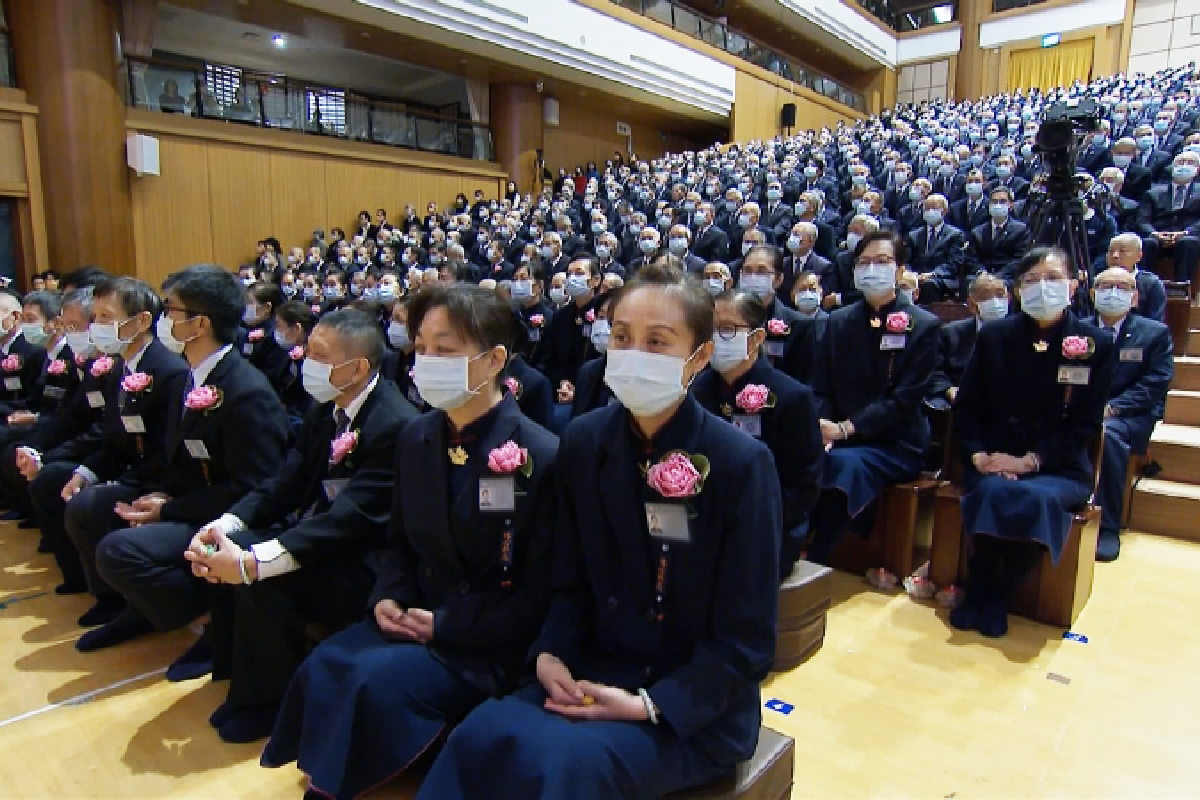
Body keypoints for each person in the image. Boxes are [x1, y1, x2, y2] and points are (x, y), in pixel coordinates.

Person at [417, 262, 781, 800]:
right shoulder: (585, 441)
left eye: (657, 342)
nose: (633, 354)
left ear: (698, 357)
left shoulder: (741, 463)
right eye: (621, 337)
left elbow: (746, 642)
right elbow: (567, 580)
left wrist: (648, 705)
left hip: (691, 703)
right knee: (478, 737)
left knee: (566, 768)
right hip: (594, 667)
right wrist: (550, 654)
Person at [261, 285, 559, 800]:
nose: (427, 362)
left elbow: (541, 589)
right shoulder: (417, 437)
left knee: (371, 682)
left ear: (493, 361)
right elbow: (398, 541)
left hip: (488, 638)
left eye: (446, 349)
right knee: (328, 662)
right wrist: (388, 597)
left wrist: (446, 624)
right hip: (416, 612)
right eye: (421, 348)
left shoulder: (541, 454)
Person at [182, 309, 419, 742]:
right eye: (308, 350)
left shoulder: (393, 424)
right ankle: (231, 667)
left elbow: (353, 520)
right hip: (322, 534)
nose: (305, 360)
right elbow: (285, 482)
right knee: (231, 545)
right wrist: (228, 521)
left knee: (268, 576)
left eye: (319, 355)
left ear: (358, 367)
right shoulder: (325, 407)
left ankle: (268, 703)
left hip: (365, 558)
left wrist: (260, 559)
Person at [74, 266, 289, 678]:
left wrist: (169, 510)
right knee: (98, 508)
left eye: (170, 310)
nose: (162, 320)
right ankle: (139, 609)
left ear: (199, 323)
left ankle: (209, 618)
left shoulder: (245, 392)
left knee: (120, 551)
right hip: (189, 499)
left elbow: (255, 490)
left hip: (233, 517)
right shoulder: (192, 376)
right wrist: (161, 497)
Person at [950, 247, 1114, 638]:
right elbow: (968, 406)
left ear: (1073, 286)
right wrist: (979, 455)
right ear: (1019, 291)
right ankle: (978, 587)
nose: (1043, 288)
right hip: (992, 459)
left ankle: (999, 595)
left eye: (1053, 278)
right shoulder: (995, 336)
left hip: (1056, 465)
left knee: (1035, 497)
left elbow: (1085, 424)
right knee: (991, 490)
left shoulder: (1094, 344)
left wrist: (1029, 462)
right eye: (1031, 280)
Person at [29, 278, 189, 600]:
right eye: (96, 317)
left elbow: (167, 452)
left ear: (142, 320)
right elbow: (111, 437)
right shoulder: (121, 367)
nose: (96, 326)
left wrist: (114, 481)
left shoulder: (168, 370)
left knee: (88, 505)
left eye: (105, 317)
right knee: (54, 480)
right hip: (126, 463)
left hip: (155, 476)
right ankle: (84, 581)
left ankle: (115, 601)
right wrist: (85, 472)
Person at [808, 230, 938, 564]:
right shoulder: (837, 322)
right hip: (838, 434)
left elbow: (905, 400)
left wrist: (846, 429)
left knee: (843, 463)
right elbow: (821, 386)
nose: (871, 269)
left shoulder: (922, 325)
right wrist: (823, 425)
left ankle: (815, 560)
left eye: (881, 262)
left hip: (896, 442)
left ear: (899, 271)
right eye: (863, 262)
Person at [692, 289, 823, 579]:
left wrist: (745, 515)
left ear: (757, 338)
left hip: (768, 524)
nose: (715, 337)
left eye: (726, 329)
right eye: (709, 328)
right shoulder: (694, 391)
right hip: (702, 518)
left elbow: (804, 487)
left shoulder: (792, 397)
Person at [1091, 267, 1173, 561]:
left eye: (1122, 287)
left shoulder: (1154, 333)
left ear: (1135, 297)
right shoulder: (1078, 329)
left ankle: (1107, 526)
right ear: (1092, 293)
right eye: (1105, 285)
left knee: (1108, 436)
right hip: (1085, 409)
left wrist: (1113, 408)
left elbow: (1156, 382)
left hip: (1129, 414)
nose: (1113, 292)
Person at [927, 274, 1010, 410]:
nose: (995, 301)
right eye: (985, 297)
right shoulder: (950, 333)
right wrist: (948, 390)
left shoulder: (1022, 331)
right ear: (971, 304)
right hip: (962, 401)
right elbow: (934, 371)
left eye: (1000, 295)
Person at [1136, 150, 1200, 283]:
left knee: (1187, 242)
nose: (1184, 166)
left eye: (1190, 163)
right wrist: (1154, 233)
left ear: (1197, 170)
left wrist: (1185, 232)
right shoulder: (1152, 193)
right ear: (1172, 167)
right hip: (1158, 235)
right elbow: (1142, 220)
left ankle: (1183, 286)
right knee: (1147, 243)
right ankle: (1145, 285)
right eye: (1180, 162)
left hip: (1188, 235)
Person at [1105, 233, 1167, 323]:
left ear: (1139, 256)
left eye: (1122, 251)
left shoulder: (1152, 284)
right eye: (1111, 251)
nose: (1115, 256)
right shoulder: (1097, 281)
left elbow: (1155, 324)